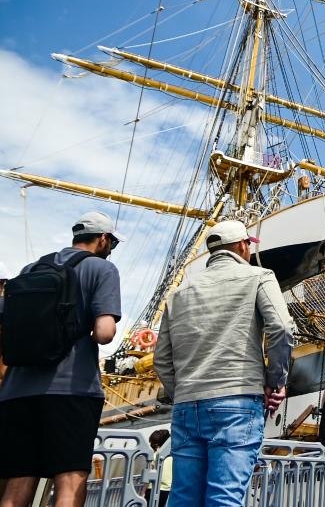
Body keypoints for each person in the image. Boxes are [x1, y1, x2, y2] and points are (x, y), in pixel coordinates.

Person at [153, 219, 294, 507]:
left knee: (182, 499)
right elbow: (281, 327)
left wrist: (183, 391)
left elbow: (162, 359)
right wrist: (275, 380)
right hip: (237, 401)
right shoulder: (259, 276)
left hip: (186, 407)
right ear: (243, 246)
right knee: (224, 498)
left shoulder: (179, 293)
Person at [0, 212, 123, 507]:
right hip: (70, 389)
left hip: (17, 391)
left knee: (18, 482)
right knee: (69, 480)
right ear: (103, 239)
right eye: (113, 242)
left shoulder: (31, 268)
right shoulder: (101, 269)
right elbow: (105, 332)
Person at [147, 429, 172, 507]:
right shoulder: (173, 456)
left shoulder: (154, 456)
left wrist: (142, 492)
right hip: (168, 490)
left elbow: (148, 475)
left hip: (152, 489)